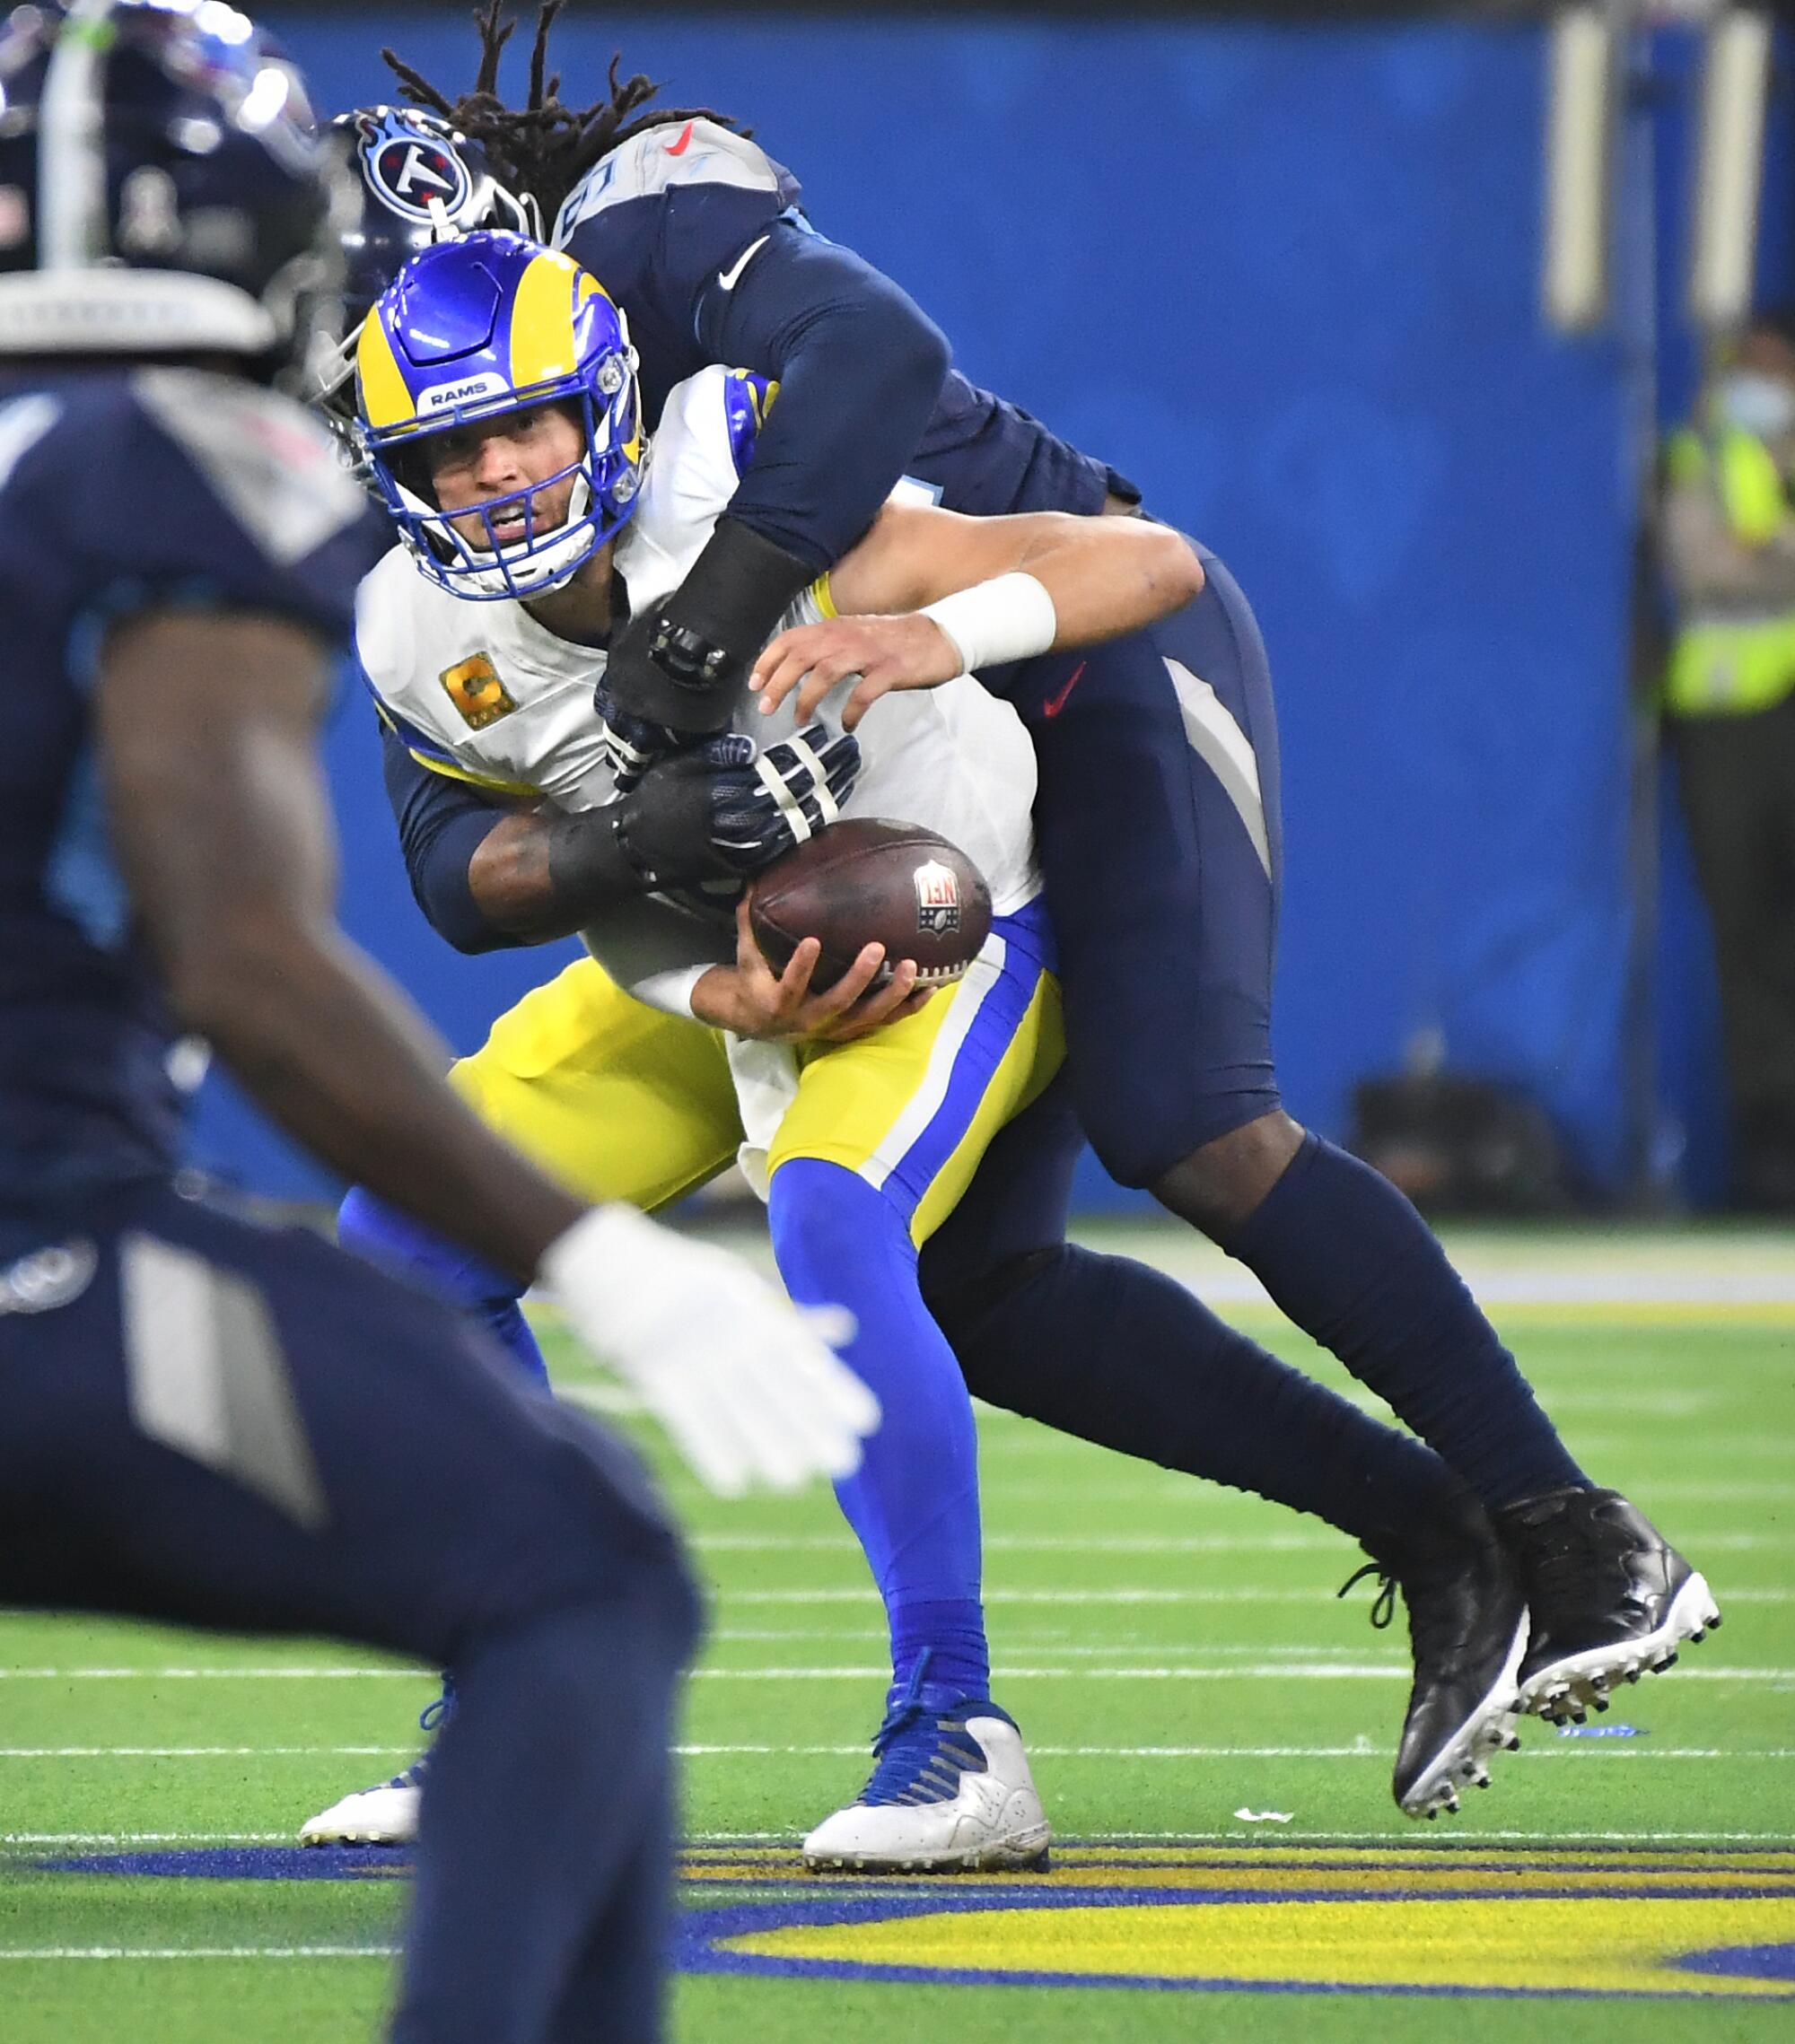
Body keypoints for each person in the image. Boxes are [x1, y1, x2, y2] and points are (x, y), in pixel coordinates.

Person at [366, 2, 1720, 1773]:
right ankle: (1435, 1532)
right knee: (984, 1294)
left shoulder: (655, 248)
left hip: (1063, 637)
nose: (451, 429)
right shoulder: (448, 507)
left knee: (1189, 1114)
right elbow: (459, 846)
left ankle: (1569, 1531)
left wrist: (715, 633)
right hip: (879, 723)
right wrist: (665, 892)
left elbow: (873, 358)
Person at [0, 8, 877, 2040]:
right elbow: (247, 956)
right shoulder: (182, 458)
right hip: (45, 1267)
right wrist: (589, 1258)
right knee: (588, 1566)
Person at [301, 223, 1216, 1870]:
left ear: (604, 410)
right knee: (401, 1241)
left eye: (522, 423)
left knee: (830, 1223)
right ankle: (517, 1696)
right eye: (448, 443)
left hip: (934, 933)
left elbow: (1151, 566)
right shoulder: (407, 627)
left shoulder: (734, 487)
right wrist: (679, 943)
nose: (494, 471)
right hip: (701, 971)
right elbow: (470, 879)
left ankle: (960, 1727)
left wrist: (936, 635)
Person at [1659, 307, 1795, 1212]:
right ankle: (1769, 1146)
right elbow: (1707, 565)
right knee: (1745, 934)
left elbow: (1755, 560)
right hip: (1735, 716)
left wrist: (1770, 549)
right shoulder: (1704, 453)